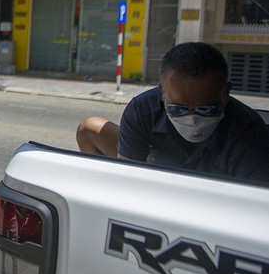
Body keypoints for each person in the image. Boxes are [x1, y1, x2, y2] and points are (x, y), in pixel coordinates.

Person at [76, 42, 269, 182]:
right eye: (178, 109)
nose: (192, 120)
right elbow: (127, 178)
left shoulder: (249, 134)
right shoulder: (143, 110)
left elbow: (246, 208)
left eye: (206, 109)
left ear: (226, 92)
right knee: (89, 128)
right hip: (155, 184)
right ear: (162, 93)